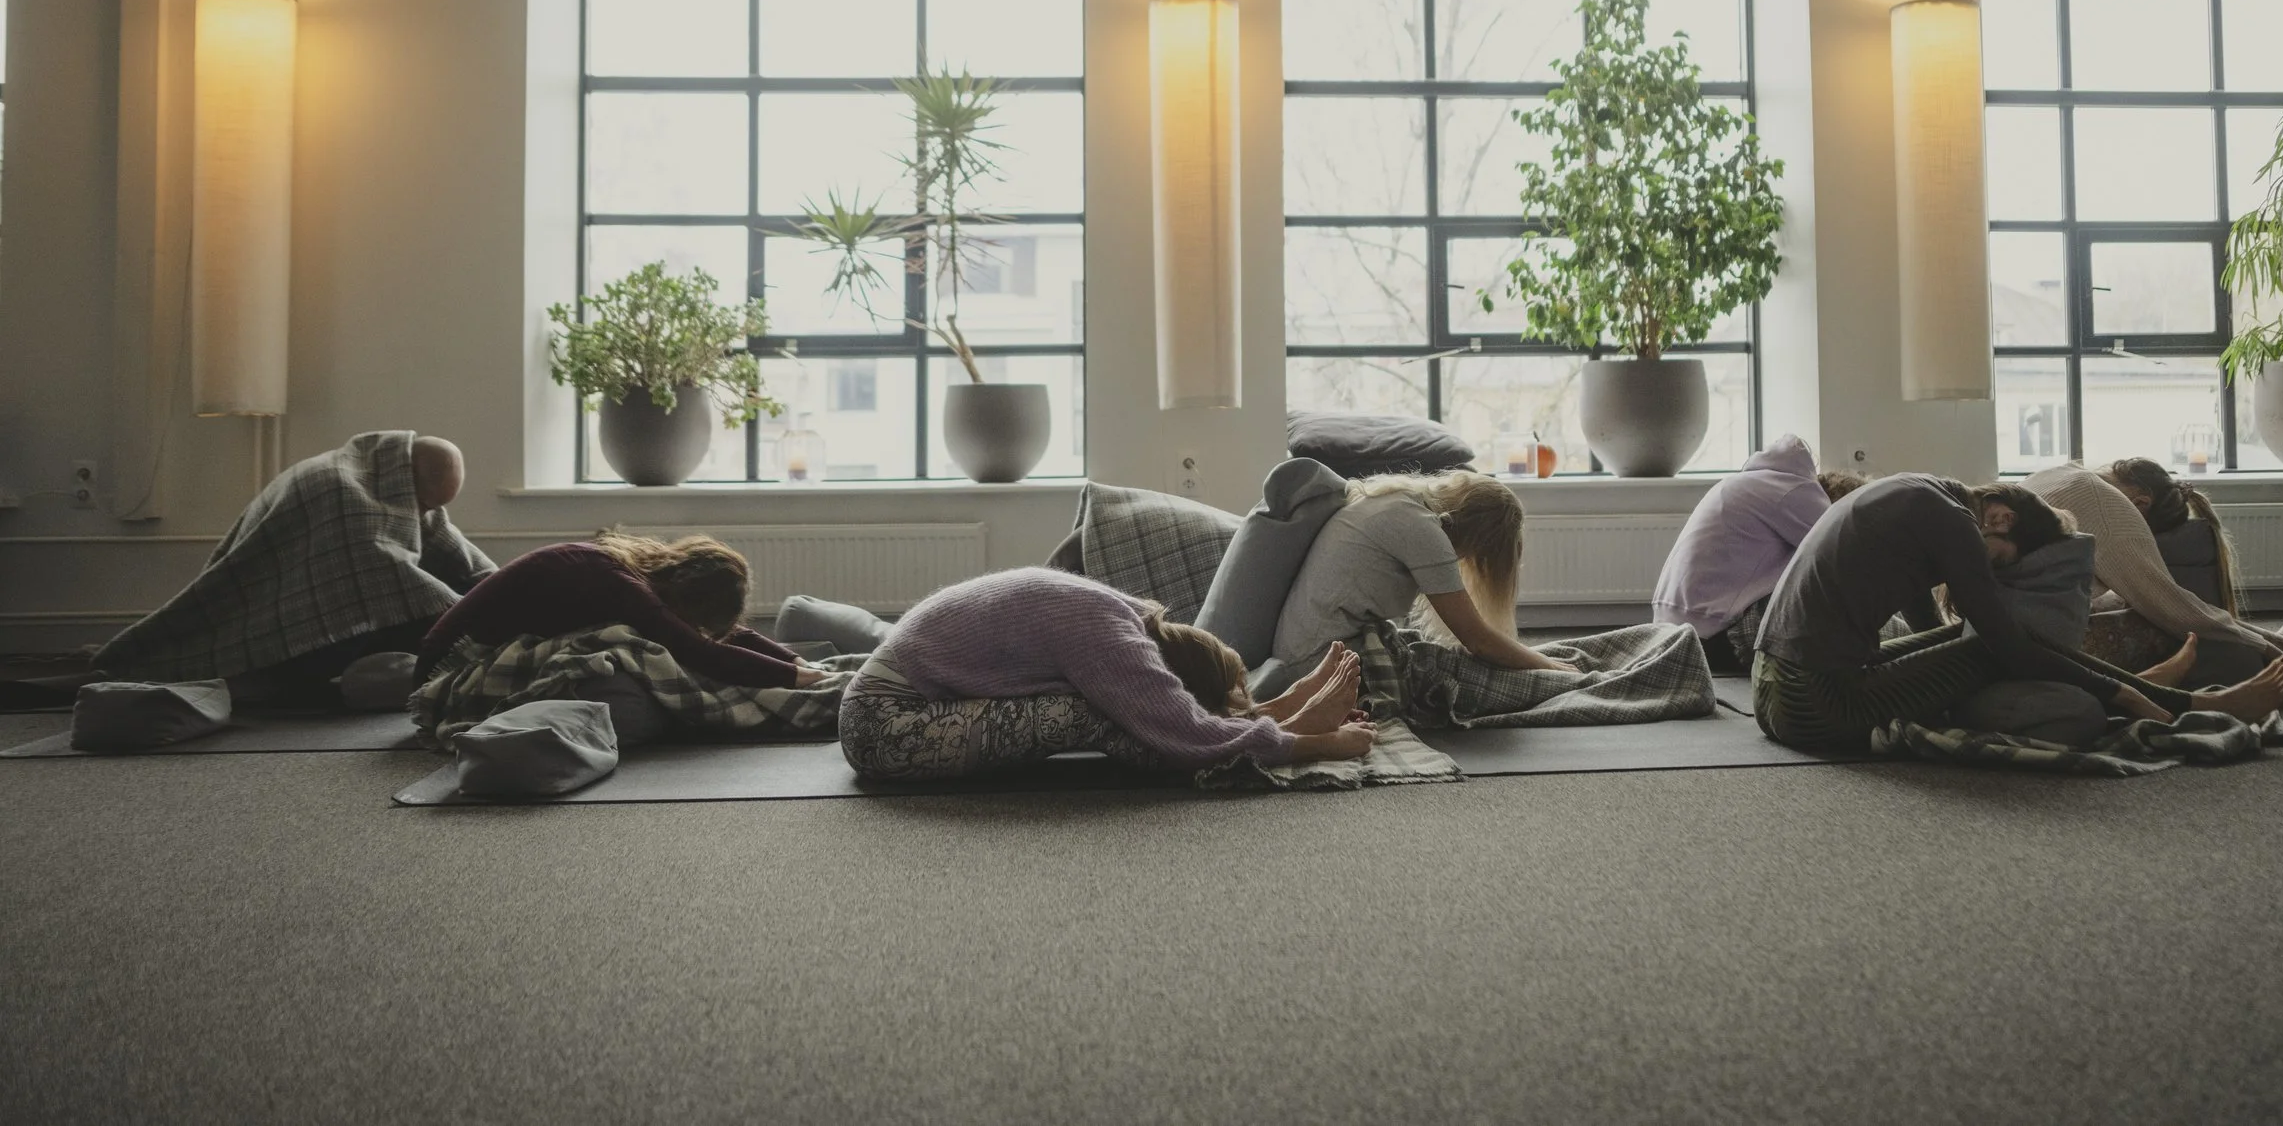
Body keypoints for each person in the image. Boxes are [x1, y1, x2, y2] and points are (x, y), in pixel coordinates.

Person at [1750, 473, 2283, 755]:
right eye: (1999, 563)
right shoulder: (1954, 523)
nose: (1988, 577)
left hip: (1769, 693)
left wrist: (1939, 653)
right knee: (1992, 646)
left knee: (1967, 646)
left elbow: (1917, 601)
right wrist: (2122, 696)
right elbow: (2005, 647)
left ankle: (2150, 686)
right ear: (2000, 519)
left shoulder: (1913, 492)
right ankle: (2174, 701)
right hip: (1817, 707)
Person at [839, 567, 1376, 780]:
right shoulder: (1111, 639)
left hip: (905, 704)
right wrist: (1321, 743)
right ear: (1171, 679)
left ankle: (1272, 721)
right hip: (882, 728)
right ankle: (1282, 730)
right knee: (1104, 718)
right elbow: (1185, 730)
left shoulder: (1123, 613)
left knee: (1137, 720)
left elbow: (1178, 716)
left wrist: (1278, 714)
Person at [92, 431, 497, 700]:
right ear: (409, 476)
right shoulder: (342, 488)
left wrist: (504, 590)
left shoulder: (390, 479)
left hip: (332, 600)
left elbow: (454, 551)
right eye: (425, 503)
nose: (426, 512)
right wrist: (475, 622)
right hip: (278, 613)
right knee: (440, 626)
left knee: (455, 611)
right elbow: (388, 579)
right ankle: (279, 684)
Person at [2025, 460, 2283, 692]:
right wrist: (2261, 643)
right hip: (2040, 645)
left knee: (2132, 602)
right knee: (2163, 619)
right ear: (2140, 503)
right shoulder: (2107, 505)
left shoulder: (2061, 472)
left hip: (2011, 625)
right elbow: (2171, 606)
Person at [414, 533, 832, 691]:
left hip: (443, 650)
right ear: (690, 596)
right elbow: (701, 651)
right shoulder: (619, 585)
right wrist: (795, 679)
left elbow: (722, 638)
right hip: (446, 666)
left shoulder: (631, 570)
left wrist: (795, 660)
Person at [1266, 469, 1564, 685]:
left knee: (1428, 651)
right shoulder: (1423, 531)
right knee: (1477, 679)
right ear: (1479, 538)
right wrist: (1554, 669)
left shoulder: (1399, 500)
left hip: (1305, 655)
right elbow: (1479, 641)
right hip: (1318, 669)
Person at [1652, 434, 1864, 673]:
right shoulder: (1796, 494)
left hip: (1671, 630)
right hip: (1710, 639)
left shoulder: (1754, 482)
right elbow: (1851, 559)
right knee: (1835, 599)